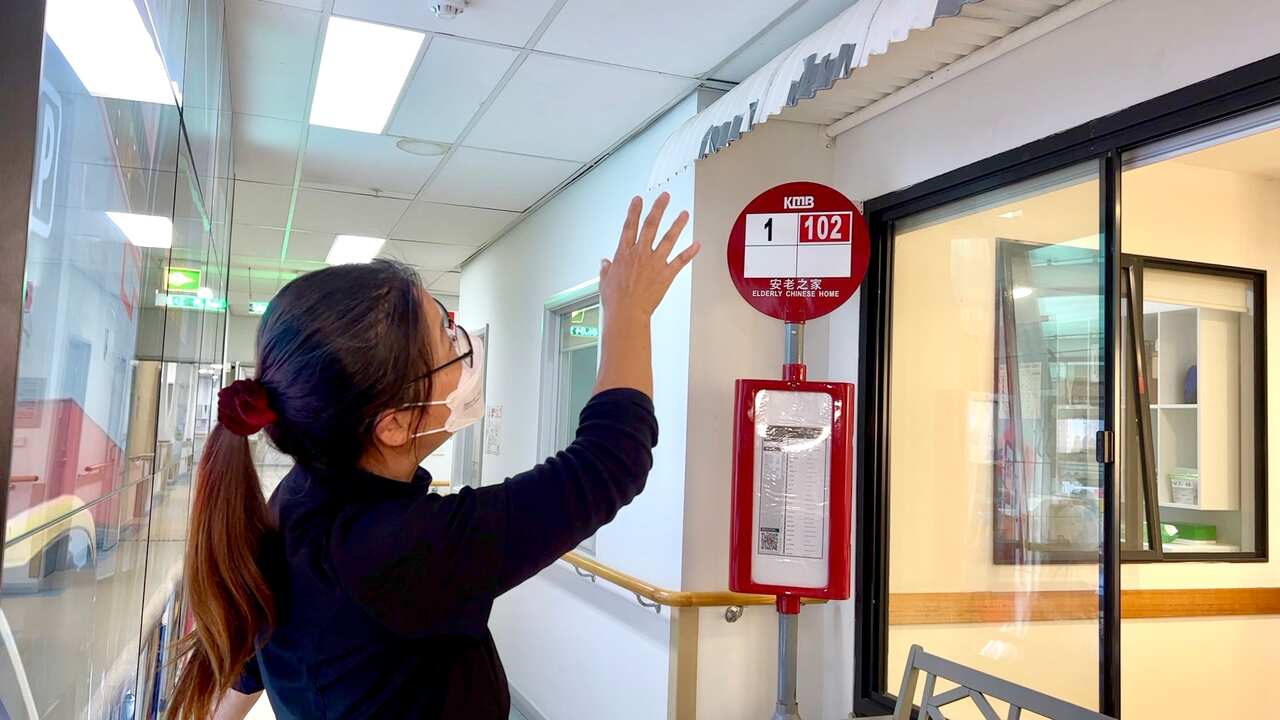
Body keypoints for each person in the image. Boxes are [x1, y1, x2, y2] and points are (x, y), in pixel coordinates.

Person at [168, 194, 697, 720]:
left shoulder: (302, 497)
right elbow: (609, 462)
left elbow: (263, 645)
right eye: (447, 343)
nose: (463, 345)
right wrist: (630, 311)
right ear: (394, 424)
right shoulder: (396, 550)